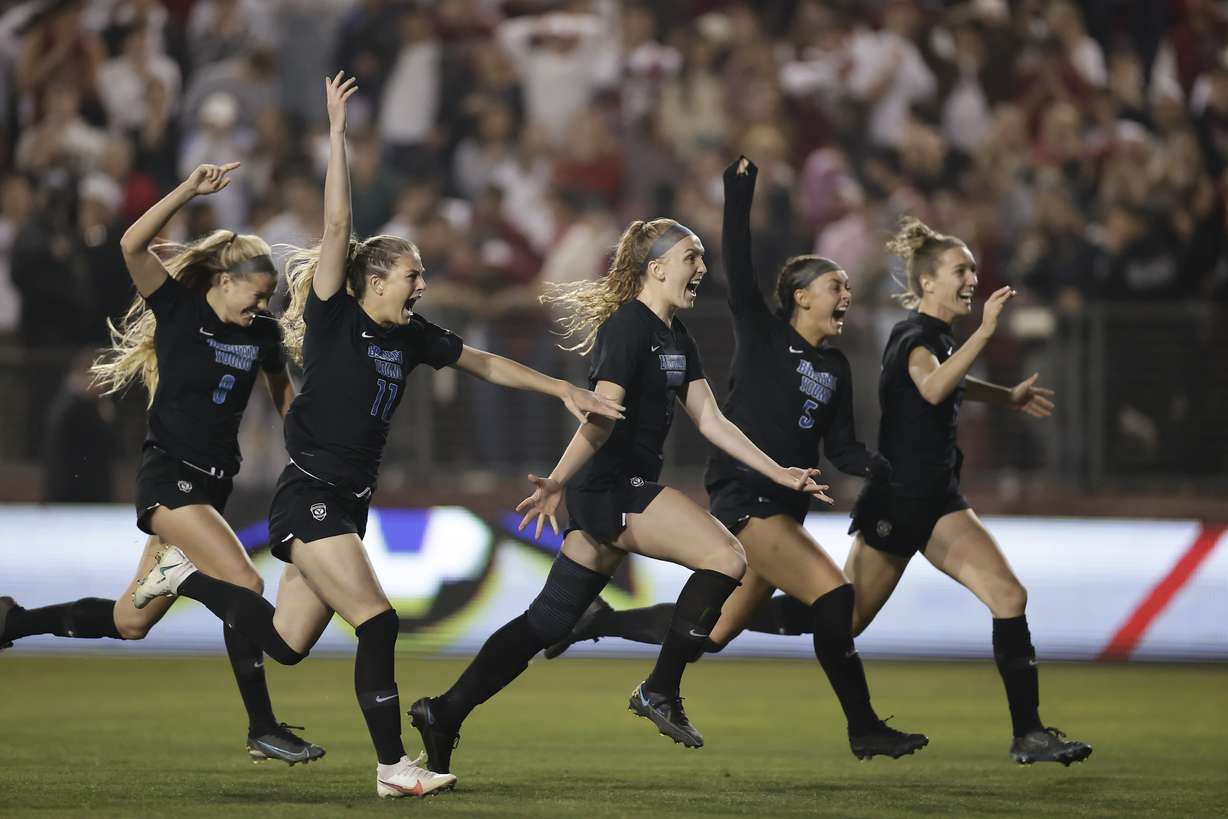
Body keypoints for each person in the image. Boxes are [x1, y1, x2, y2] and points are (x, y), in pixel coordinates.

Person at [128, 71, 623, 800]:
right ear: (375, 278)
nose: (421, 283)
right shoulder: (333, 310)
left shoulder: (413, 334)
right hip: (312, 495)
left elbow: (482, 361)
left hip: (347, 498)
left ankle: (181, 578)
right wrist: (336, 134)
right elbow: (336, 227)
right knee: (379, 619)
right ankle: (395, 766)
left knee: (286, 644)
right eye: (412, 274)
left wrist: (561, 387)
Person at [407, 206, 832, 778]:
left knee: (547, 623)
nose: (702, 267)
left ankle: (444, 712)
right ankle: (660, 689)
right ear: (656, 269)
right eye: (691, 257)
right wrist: (558, 479)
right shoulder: (630, 327)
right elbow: (600, 416)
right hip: (610, 485)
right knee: (727, 556)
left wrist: (779, 471)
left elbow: (710, 419)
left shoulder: (675, 335)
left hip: (610, 489)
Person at [540, 157, 928, 760]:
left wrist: (884, 468)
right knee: (834, 599)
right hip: (750, 502)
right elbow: (739, 259)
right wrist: (739, 189)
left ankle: (596, 621)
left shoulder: (836, 366)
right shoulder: (765, 331)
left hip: (786, 508)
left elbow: (842, 448)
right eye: (836, 286)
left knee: (712, 632)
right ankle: (864, 728)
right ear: (800, 297)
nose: (847, 294)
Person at [0, 162, 323, 766]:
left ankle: (13, 622)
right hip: (169, 482)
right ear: (223, 280)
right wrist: (188, 191)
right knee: (244, 585)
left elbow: (285, 399)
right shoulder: (178, 308)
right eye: (253, 296)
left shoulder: (264, 335)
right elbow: (131, 243)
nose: (260, 307)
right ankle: (262, 726)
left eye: (266, 300)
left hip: (211, 487)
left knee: (129, 622)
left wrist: (311, 448)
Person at [844, 217, 1092, 766]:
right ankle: (713, 622)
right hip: (898, 500)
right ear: (928, 281)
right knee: (841, 621)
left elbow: (944, 379)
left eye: (974, 268)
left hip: (936, 501)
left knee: (1010, 597)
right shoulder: (914, 335)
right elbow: (932, 386)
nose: (972, 277)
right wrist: (986, 331)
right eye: (961, 269)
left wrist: (1005, 397)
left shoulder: (934, 338)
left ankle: (1027, 734)